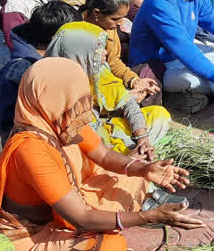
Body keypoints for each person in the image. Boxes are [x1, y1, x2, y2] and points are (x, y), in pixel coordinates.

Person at [0, 58, 203, 251]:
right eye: (74, 96)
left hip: (67, 211)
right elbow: (82, 217)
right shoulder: (30, 149)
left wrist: (146, 170)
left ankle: (105, 227)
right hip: (31, 239)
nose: (81, 103)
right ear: (53, 97)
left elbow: (102, 155)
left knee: (133, 180)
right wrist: (146, 217)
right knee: (110, 249)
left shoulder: (61, 119)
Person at [46, 22, 171, 158]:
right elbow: (81, 134)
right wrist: (122, 161)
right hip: (83, 142)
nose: (106, 53)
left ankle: (135, 151)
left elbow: (128, 103)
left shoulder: (99, 71)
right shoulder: (57, 85)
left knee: (159, 115)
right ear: (80, 52)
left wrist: (143, 139)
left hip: (104, 127)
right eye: (98, 49)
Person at [0, 1, 79, 134]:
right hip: (24, 129)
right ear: (56, 38)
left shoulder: (49, 53)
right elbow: (10, 114)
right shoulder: (22, 68)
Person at [82, 0, 162, 104]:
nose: (120, 23)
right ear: (96, 13)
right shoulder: (79, 30)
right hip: (86, 85)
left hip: (108, 78)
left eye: (122, 18)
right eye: (115, 19)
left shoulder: (109, 29)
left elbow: (113, 61)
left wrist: (134, 80)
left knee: (150, 74)